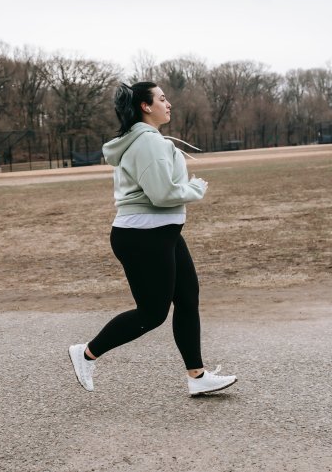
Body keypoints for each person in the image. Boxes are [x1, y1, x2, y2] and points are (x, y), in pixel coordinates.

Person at [68, 81, 237, 396]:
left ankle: (197, 378)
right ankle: (87, 353)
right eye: (162, 98)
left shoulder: (147, 139)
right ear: (146, 106)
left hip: (160, 233)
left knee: (187, 298)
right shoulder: (147, 142)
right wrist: (196, 188)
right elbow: (161, 194)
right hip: (144, 236)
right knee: (152, 313)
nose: (168, 103)